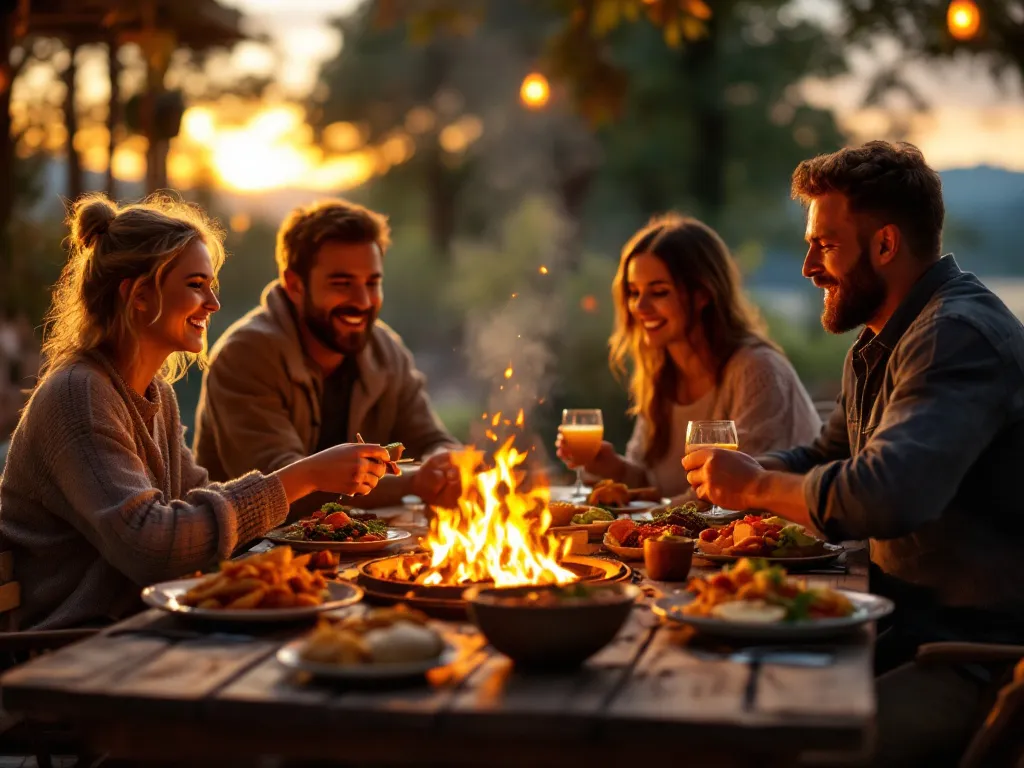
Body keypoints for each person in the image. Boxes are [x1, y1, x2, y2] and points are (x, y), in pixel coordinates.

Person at [682, 141, 1024, 766]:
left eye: (826, 244)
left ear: (885, 245)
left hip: (977, 660)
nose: (809, 265)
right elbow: (825, 454)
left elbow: (885, 492)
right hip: (892, 627)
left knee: (781, 750)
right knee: (706, 689)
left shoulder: (956, 335)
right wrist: (747, 475)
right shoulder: (878, 343)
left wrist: (754, 491)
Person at [0, 194, 389, 631]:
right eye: (196, 284)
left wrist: (309, 524)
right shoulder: (79, 395)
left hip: (144, 628)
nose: (213, 304)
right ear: (139, 294)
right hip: (75, 649)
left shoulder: (153, 394)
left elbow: (195, 503)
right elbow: (155, 547)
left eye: (212, 285)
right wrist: (303, 477)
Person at [193, 199, 461, 513]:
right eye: (342, 283)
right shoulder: (245, 356)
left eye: (372, 283)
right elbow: (280, 487)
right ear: (294, 285)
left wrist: (447, 462)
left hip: (353, 549)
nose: (362, 301)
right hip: (252, 554)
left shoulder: (387, 350)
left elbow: (431, 438)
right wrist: (413, 483)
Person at [557, 214, 820, 498]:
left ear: (703, 294)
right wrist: (615, 469)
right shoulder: (661, 373)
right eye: (633, 292)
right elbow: (654, 483)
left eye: (659, 292)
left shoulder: (758, 370)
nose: (640, 306)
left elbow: (736, 489)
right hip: (692, 538)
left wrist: (650, 517)